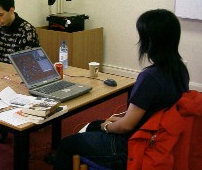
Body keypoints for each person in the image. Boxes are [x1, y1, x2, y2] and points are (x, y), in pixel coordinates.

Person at [53, 9, 190, 170]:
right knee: (94, 125)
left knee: (66, 144)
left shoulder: (150, 77)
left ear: (151, 41)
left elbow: (126, 126)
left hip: (132, 146)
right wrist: (109, 123)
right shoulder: (180, 69)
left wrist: (107, 127)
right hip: (159, 136)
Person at [0, 0, 40, 143]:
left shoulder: (26, 30)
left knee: (7, 91)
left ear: (12, 10)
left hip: (17, 77)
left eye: (0, 15)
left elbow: (29, 65)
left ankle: (4, 125)